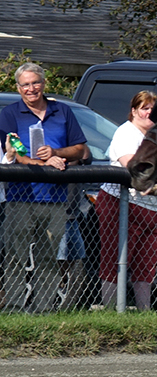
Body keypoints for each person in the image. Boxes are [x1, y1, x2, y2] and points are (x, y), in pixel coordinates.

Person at [0, 63, 88, 312]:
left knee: (49, 257)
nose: (31, 89)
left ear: (44, 83)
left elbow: (80, 148)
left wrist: (56, 152)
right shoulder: (9, 114)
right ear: (18, 88)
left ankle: (44, 310)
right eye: (25, 84)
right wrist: (44, 161)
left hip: (56, 197)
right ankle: (14, 308)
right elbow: (15, 153)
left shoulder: (63, 111)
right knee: (16, 256)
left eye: (35, 82)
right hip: (21, 196)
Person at [97, 90, 157, 311]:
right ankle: (110, 312)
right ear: (134, 111)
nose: (148, 114)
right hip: (122, 205)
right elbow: (134, 166)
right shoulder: (126, 133)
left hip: (152, 210)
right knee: (115, 261)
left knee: (146, 265)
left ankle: (145, 312)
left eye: (152, 109)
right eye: (144, 108)